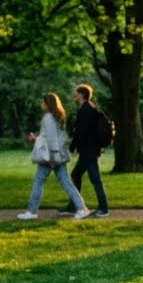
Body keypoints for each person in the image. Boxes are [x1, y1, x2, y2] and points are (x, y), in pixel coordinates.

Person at [20, 93, 90, 220]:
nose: (42, 104)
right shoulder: (59, 116)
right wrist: (36, 139)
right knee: (66, 183)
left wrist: (52, 158)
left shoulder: (48, 117)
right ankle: (82, 208)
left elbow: (52, 140)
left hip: (50, 157)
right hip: (58, 156)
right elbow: (56, 138)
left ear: (48, 104)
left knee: (38, 182)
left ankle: (31, 212)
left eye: (43, 102)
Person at [61, 84, 110, 218]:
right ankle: (74, 205)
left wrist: (72, 146)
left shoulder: (86, 110)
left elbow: (81, 131)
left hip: (89, 151)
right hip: (89, 150)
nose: (74, 94)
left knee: (95, 179)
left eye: (75, 92)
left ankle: (104, 208)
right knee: (76, 175)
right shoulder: (89, 108)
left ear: (81, 95)